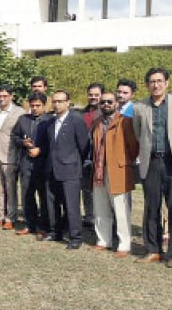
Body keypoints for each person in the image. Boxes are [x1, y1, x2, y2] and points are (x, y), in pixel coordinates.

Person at [132, 67, 172, 266]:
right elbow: (138, 133)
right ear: (147, 84)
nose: (156, 84)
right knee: (151, 207)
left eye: (160, 80)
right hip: (151, 161)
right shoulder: (139, 107)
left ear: (167, 83)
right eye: (152, 81)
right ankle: (153, 250)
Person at [37, 90, 89, 249]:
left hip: (70, 169)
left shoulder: (76, 120)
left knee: (71, 205)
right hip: (52, 168)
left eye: (60, 101)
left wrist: (75, 163)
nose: (57, 104)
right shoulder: (50, 122)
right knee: (52, 203)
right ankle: (55, 231)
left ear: (68, 103)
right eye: (55, 101)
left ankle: (75, 237)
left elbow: (84, 146)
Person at [89, 91, 139, 257]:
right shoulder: (97, 123)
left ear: (116, 103)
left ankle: (124, 245)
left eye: (109, 102)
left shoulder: (125, 121)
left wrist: (121, 161)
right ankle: (103, 240)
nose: (106, 105)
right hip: (99, 170)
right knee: (100, 207)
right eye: (102, 102)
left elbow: (133, 147)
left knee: (121, 209)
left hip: (118, 170)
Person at [0, 84, 25, 229]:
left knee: (10, 189)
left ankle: (10, 218)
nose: (1, 99)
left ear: (11, 96)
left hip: (10, 156)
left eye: (5, 96)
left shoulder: (20, 112)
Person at [13, 93, 50, 235]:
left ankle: (45, 226)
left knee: (44, 196)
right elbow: (14, 137)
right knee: (27, 195)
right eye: (32, 105)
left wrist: (40, 150)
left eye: (38, 106)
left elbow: (54, 143)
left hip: (43, 164)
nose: (35, 108)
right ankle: (30, 224)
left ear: (44, 105)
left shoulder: (50, 120)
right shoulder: (23, 119)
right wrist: (23, 142)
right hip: (26, 163)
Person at [80, 83, 104, 227]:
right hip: (84, 157)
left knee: (100, 190)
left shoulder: (106, 113)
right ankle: (89, 217)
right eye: (91, 94)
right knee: (86, 189)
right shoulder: (81, 113)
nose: (93, 97)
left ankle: (102, 218)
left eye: (96, 94)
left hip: (100, 156)